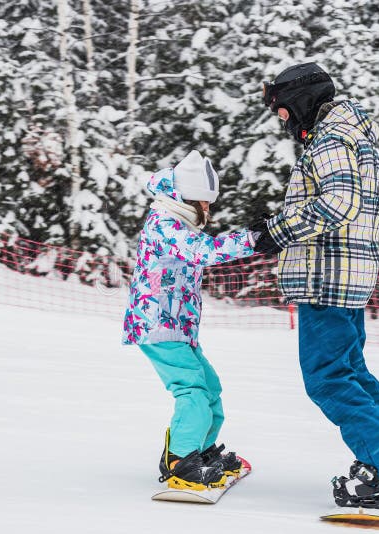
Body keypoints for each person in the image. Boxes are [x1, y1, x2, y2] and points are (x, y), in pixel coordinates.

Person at [249, 63, 379, 510]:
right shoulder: (351, 135)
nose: (284, 121)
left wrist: (278, 231)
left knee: (327, 380)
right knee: (351, 373)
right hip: (345, 274)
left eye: (285, 111)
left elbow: (338, 202)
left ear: (304, 101)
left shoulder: (330, 138)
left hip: (323, 276)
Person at [123, 150, 254, 491]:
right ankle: (181, 459)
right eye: (204, 202)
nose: (208, 209)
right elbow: (204, 251)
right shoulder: (165, 224)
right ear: (186, 197)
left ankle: (202, 451)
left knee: (210, 388)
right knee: (192, 389)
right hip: (156, 325)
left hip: (177, 327)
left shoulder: (178, 222)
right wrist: (253, 238)